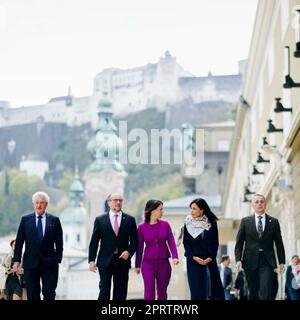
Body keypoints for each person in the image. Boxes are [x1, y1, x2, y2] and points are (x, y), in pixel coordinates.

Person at [13, 191, 63, 300]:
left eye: (42, 203)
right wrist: (16, 261)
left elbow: (59, 242)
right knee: (33, 293)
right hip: (31, 263)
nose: (39, 205)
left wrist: (57, 259)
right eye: (37, 203)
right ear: (33, 204)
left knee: (49, 293)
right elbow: (19, 242)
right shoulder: (25, 220)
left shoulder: (54, 220)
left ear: (46, 204)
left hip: (50, 264)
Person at [235, 194, 285, 300]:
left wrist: (281, 261)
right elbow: (239, 243)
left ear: (265, 204)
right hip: (250, 261)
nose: (259, 204)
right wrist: (238, 259)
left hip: (267, 261)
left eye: (262, 201)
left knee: (265, 291)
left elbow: (279, 243)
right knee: (252, 292)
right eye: (257, 202)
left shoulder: (274, 222)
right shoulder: (245, 221)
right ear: (253, 205)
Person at [88, 193, 138, 300]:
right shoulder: (100, 220)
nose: (118, 202)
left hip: (122, 261)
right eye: (115, 200)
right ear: (109, 202)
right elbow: (94, 242)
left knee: (120, 293)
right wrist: (91, 260)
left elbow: (135, 241)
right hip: (105, 261)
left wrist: (129, 252)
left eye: (120, 200)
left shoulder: (130, 220)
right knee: (104, 291)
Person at [135, 200, 179, 300]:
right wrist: (138, 265)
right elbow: (140, 247)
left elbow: (171, 241)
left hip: (164, 263)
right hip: (148, 264)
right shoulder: (141, 227)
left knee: (162, 292)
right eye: (160, 209)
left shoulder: (165, 225)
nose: (162, 211)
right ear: (153, 210)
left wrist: (175, 256)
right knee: (149, 291)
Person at [183, 198, 225, 300]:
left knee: (214, 291)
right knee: (197, 293)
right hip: (194, 262)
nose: (191, 211)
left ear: (201, 210)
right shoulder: (188, 224)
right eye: (191, 209)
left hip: (209, 261)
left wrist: (210, 257)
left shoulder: (212, 223)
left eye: (194, 209)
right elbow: (186, 244)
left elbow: (215, 242)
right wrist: (194, 257)